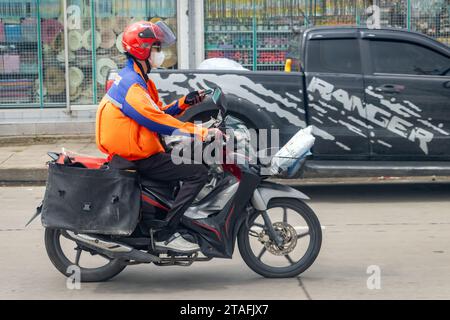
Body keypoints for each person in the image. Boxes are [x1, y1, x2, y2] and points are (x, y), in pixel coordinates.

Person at [96, 21, 219, 253]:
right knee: (198, 172)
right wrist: (203, 132)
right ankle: (167, 233)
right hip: (139, 156)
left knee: (185, 158)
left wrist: (185, 103)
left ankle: (162, 217)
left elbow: (157, 112)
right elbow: (156, 121)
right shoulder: (133, 85)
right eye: (156, 48)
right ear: (142, 50)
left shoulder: (138, 79)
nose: (160, 53)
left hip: (140, 150)